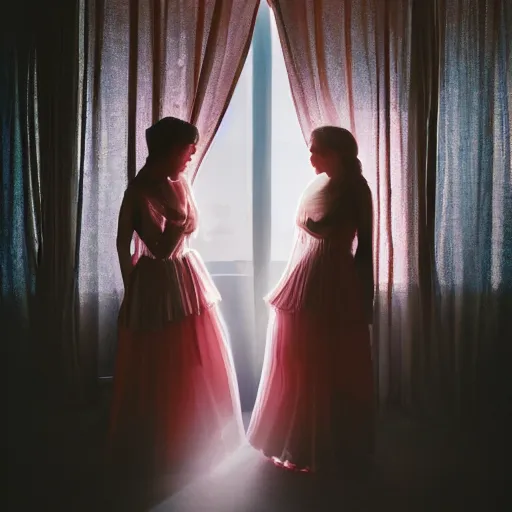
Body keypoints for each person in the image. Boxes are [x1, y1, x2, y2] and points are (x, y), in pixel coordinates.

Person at [109, 117, 244, 483]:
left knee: (193, 354)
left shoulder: (178, 182)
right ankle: (165, 437)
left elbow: (184, 234)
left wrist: (181, 222)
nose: (192, 154)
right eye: (188, 148)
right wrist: (132, 282)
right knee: (163, 360)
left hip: (185, 273)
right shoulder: (138, 192)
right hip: (158, 279)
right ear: (169, 149)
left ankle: (193, 431)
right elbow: (150, 247)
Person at [247, 126, 375, 475]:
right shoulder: (320, 187)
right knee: (302, 357)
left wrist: (368, 295)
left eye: (316, 150)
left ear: (335, 152)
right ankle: (299, 437)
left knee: (330, 359)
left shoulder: (356, 189)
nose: (311, 157)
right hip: (310, 274)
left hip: (335, 277)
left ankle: (331, 442)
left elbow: (364, 247)